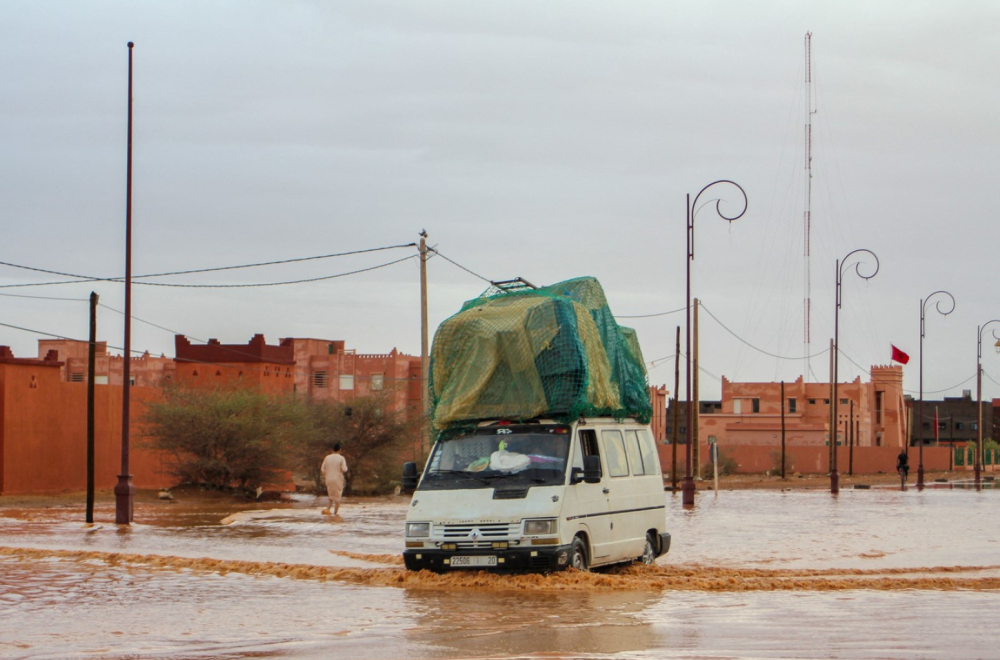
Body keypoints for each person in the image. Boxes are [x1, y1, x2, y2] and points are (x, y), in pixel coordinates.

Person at [320, 443, 349, 516]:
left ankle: (328, 511)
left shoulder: (327, 457)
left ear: (332, 449)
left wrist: (326, 474)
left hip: (328, 479)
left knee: (330, 496)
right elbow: (344, 469)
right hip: (337, 479)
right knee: (338, 497)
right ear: (340, 449)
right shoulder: (341, 458)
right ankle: (335, 514)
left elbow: (322, 469)